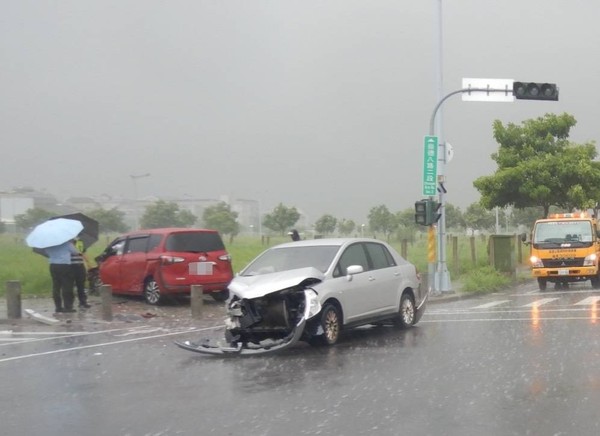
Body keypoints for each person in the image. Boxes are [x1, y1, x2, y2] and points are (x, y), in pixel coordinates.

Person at [45, 240, 79, 313]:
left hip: (53, 265)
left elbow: (47, 253)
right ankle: (68, 307)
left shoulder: (49, 244)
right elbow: (75, 252)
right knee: (67, 286)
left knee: (56, 286)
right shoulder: (67, 244)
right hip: (64, 265)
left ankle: (58, 307)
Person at [71, 237, 91, 309]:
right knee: (69, 286)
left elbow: (83, 253)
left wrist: (88, 263)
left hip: (80, 266)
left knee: (81, 285)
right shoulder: (66, 242)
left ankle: (83, 302)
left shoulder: (80, 241)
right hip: (70, 267)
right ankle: (70, 304)